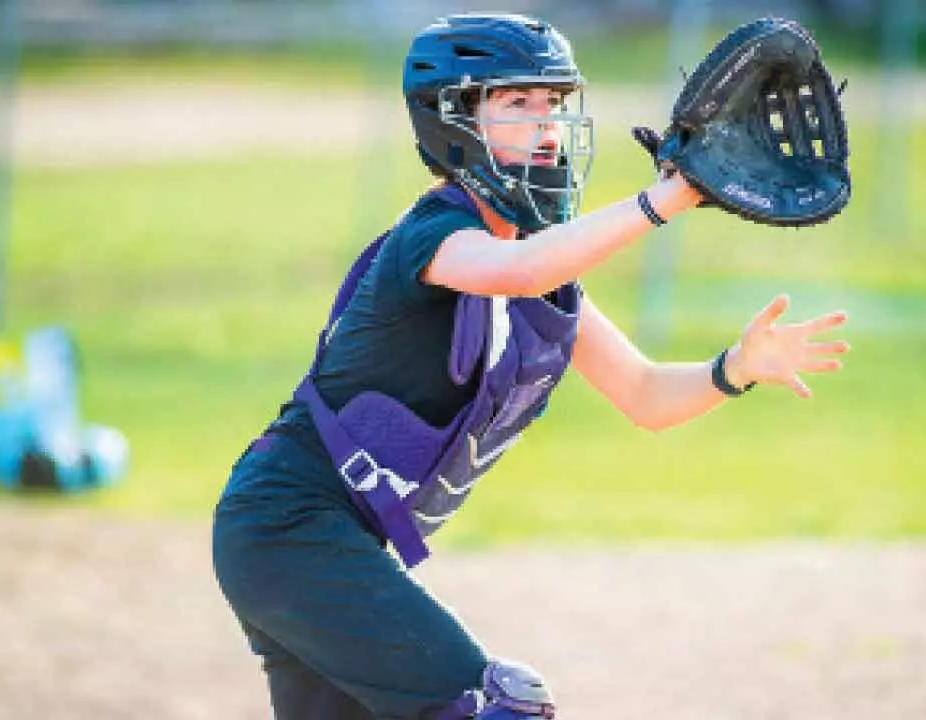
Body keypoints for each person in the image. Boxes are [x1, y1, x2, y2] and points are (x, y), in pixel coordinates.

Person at [212, 13, 849, 720]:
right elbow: (515, 269)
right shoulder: (437, 239)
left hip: (320, 544)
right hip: (288, 526)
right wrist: (664, 199)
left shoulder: (541, 272)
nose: (546, 125)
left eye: (552, 106)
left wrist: (736, 366)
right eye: (517, 105)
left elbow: (645, 394)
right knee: (498, 707)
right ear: (453, 122)